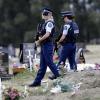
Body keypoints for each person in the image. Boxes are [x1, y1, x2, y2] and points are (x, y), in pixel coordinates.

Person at [29, 8, 60, 87]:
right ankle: (37, 82)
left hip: (47, 45)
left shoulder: (49, 23)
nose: (43, 15)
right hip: (44, 45)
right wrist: (39, 38)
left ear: (49, 15)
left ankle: (59, 76)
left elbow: (47, 34)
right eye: (43, 13)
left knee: (49, 62)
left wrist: (39, 41)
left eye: (45, 13)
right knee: (42, 65)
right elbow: (43, 34)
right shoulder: (46, 23)